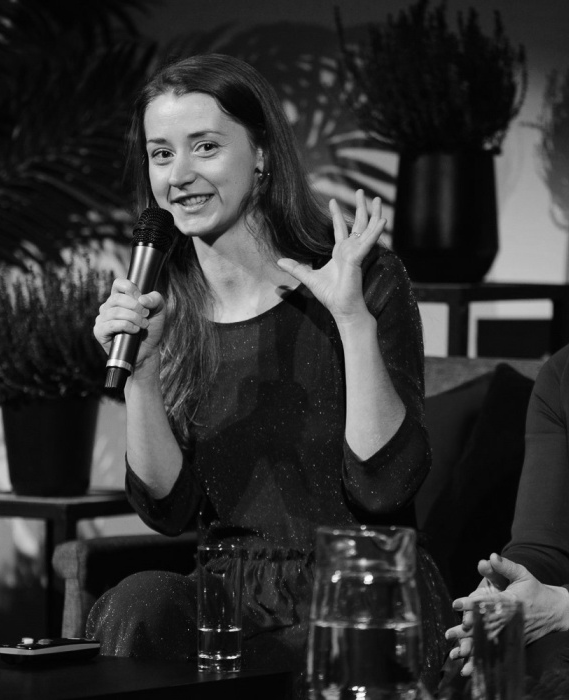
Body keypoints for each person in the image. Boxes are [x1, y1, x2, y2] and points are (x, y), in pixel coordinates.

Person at [90, 52, 453, 695]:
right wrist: (143, 376)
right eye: (161, 154)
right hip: (230, 597)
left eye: (205, 146)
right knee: (139, 602)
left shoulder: (359, 279)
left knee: (335, 634)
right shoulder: (169, 308)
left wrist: (351, 320)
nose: (179, 175)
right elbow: (168, 511)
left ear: (260, 154)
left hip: (359, 586)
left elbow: (384, 487)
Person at [446, 342, 569, 681]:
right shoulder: (563, 372)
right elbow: (543, 543)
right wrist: (506, 590)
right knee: (494, 660)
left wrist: (564, 605)